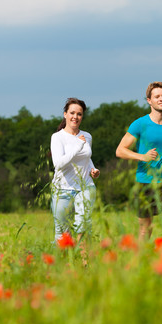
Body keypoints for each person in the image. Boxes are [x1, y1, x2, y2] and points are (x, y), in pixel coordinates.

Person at [116, 81, 162, 240]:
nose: (161, 99)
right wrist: (143, 157)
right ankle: (141, 261)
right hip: (145, 182)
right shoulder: (140, 124)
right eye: (157, 96)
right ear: (149, 100)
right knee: (145, 231)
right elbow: (120, 150)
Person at [50, 98, 100, 243]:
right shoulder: (57, 137)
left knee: (83, 226)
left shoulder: (87, 136)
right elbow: (58, 164)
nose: (75, 117)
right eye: (72, 113)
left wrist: (93, 169)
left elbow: (86, 158)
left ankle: (85, 264)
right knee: (62, 233)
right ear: (65, 114)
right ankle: (63, 263)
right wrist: (78, 145)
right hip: (62, 190)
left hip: (85, 187)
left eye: (79, 114)